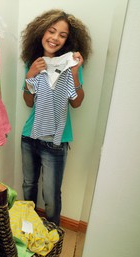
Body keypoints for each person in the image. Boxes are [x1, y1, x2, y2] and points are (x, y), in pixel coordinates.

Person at [20, 9, 92, 225]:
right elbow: (28, 102)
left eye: (62, 35)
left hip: (56, 141)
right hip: (29, 136)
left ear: (68, 40)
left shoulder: (71, 65)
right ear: (41, 32)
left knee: (51, 196)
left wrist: (75, 73)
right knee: (28, 186)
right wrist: (29, 75)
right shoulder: (33, 63)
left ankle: (53, 235)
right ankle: (29, 230)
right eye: (52, 31)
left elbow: (76, 102)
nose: (55, 38)